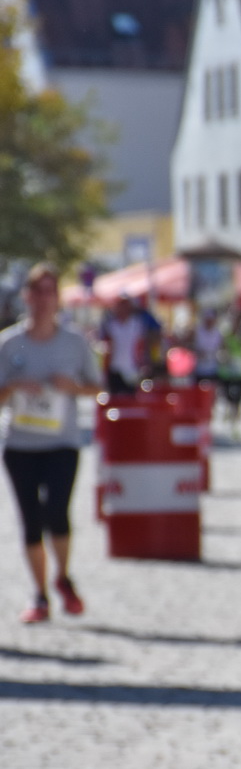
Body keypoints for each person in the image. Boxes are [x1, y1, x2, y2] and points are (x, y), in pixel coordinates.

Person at [0, 264, 103, 623]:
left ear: (58, 298)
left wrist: (72, 387)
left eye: (50, 292)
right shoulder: (8, 343)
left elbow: (97, 387)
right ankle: (40, 595)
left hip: (62, 442)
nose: (43, 300)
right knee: (29, 520)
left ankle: (63, 575)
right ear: (26, 296)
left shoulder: (74, 343)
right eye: (37, 292)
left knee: (57, 512)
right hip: (20, 445)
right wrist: (12, 387)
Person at [97, 293, 162, 394]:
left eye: (126, 305)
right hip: (114, 369)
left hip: (133, 369)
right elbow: (105, 347)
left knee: (133, 398)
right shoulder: (110, 324)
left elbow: (151, 338)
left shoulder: (138, 323)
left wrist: (147, 361)